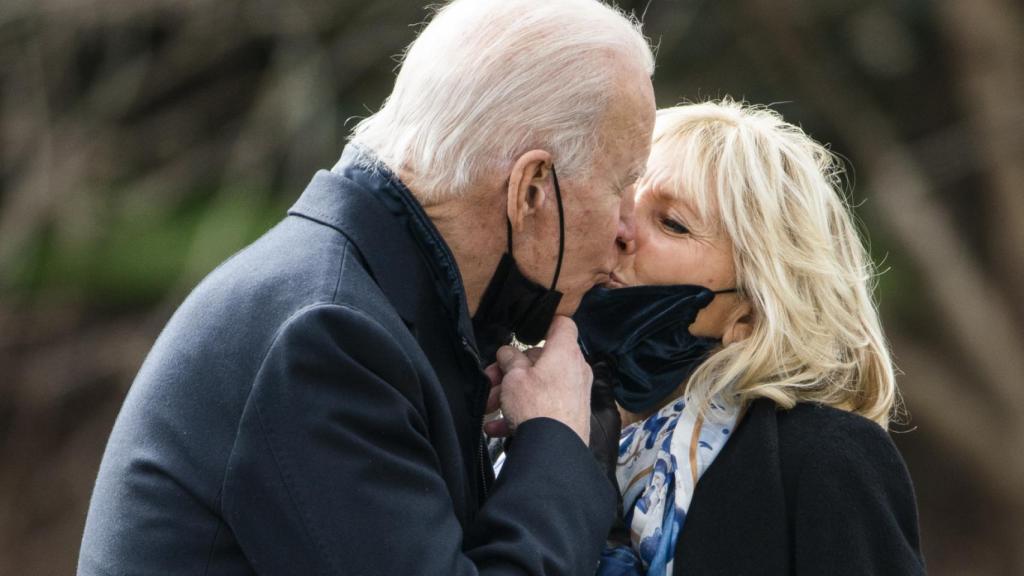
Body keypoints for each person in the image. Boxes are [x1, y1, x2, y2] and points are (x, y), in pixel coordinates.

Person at [77, 0, 656, 574]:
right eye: (622, 185)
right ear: (531, 189)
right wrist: (556, 440)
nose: (629, 231)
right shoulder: (327, 337)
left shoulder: (364, 310)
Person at [574, 100, 926, 575]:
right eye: (623, 200)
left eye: (672, 223)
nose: (622, 229)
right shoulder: (511, 430)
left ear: (752, 313)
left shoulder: (823, 459)